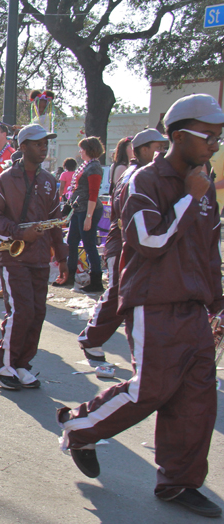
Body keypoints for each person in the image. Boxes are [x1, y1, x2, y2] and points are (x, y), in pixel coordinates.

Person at [58, 94, 223, 518]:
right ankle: (80, 427)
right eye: (209, 137)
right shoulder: (144, 181)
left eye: (219, 137)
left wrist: (219, 304)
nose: (215, 145)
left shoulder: (201, 185)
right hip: (155, 303)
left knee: (197, 398)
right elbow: (148, 242)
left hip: (193, 308)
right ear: (180, 135)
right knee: (151, 388)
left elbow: (208, 251)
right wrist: (188, 199)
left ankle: (178, 481)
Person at [0, 124, 68, 390]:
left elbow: (55, 222)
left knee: (37, 313)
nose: (43, 147)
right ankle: (1, 363)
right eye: (37, 143)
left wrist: (63, 258)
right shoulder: (6, 179)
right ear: (23, 147)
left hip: (41, 257)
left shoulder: (49, 181)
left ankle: (22, 364)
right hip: (13, 256)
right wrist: (18, 232)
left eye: (45, 143)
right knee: (21, 311)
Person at [77, 128, 167, 362]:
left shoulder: (144, 173)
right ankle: (91, 338)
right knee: (119, 294)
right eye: (159, 148)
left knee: (131, 295)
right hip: (125, 245)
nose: (163, 152)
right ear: (143, 150)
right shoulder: (135, 176)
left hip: (133, 245)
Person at [56, 137, 105, 292]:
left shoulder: (94, 168)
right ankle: (69, 276)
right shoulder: (86, 166)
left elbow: (93, 194)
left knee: (89, 244)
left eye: (82, 149)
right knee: (71, 241)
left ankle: (96, 279)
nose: (80, 152)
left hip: (87, 210)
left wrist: (89, 217)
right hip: (79, 209)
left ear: (89, 150)